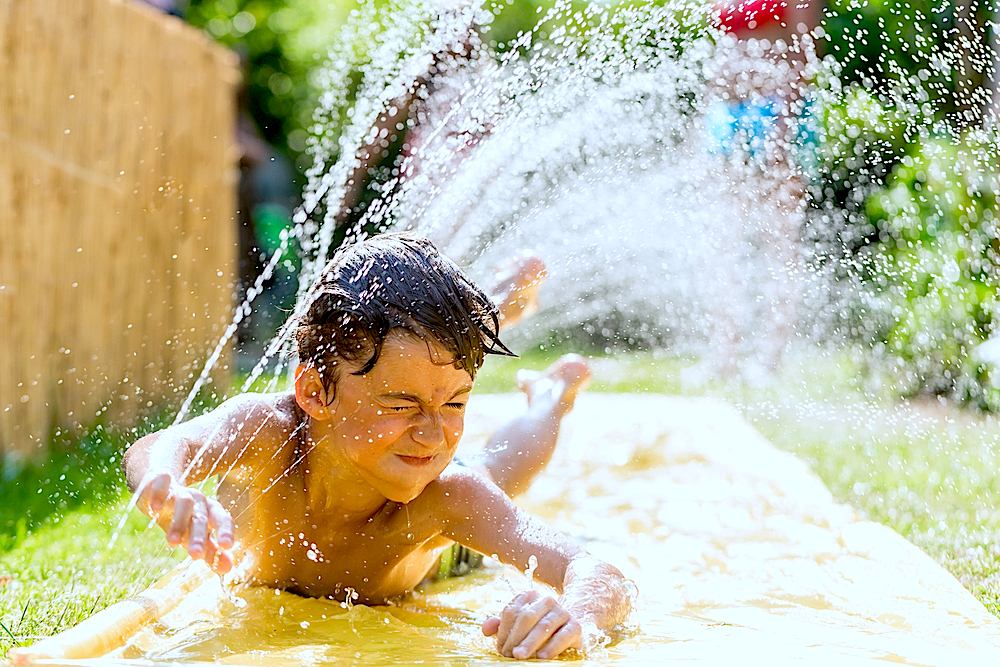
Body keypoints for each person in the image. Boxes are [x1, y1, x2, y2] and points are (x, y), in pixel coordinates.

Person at [122, 233, 628, 661]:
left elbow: (598, 572)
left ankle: (550, 396)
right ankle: (500, 300)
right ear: (315, 393)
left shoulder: (447, 496)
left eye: (456, 404)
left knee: (501, 466)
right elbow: (167, 445)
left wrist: (576, 617)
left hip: (436, 555)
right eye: (401, 405)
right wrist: (165, 486)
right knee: (418, 347)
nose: (433, 436)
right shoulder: (269, 432)